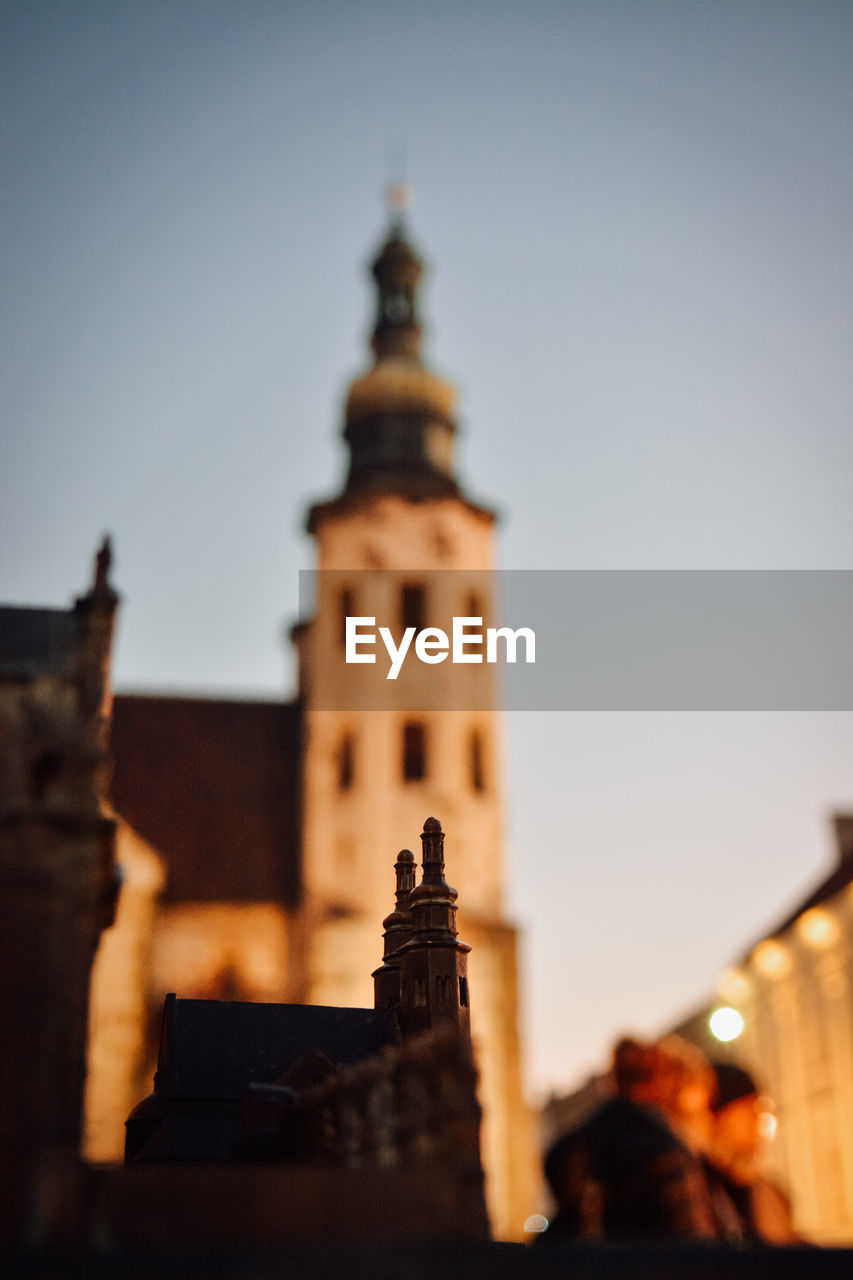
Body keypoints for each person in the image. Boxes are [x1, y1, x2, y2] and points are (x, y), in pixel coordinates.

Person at [543, 1035, 744, 1242]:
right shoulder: (671, 1160)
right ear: (682, 1099)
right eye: (704, 1102)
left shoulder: (586, 1148)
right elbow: (696, 1259)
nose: (705, 1118)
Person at [708, 1062, 800, 1244]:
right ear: (719, 1115)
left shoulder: (769, 1191)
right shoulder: (703, 1185)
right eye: (749, 1108)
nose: (758, 1119)